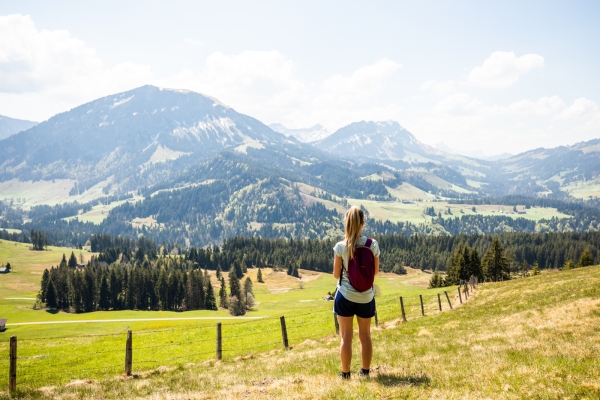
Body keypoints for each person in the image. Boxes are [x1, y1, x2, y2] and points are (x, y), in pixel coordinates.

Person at [333, 206, 380, 379]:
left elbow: (336, 274)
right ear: (363, 223)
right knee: (365, 335)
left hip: (345, 295)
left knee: (346, 336)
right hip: (366, 296)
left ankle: (345, 374)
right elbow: (375, 272)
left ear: (347, 223)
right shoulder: (372, 244)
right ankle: (365, 372)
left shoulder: (340, 247)